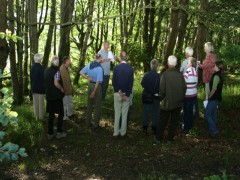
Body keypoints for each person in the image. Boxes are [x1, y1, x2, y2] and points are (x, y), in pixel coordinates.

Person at [155, 55, 186, 143]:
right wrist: (181, 98)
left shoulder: (165, 75)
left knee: (162, 120)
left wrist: (160, 98)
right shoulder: (180, 75)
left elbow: (162, 90)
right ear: (176, 64)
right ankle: (170, 139)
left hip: (167, 102)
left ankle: (158, 138)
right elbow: (184, 88)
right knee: (174, 121)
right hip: (178, 102)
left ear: (168, 63)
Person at [44, 56, 66, 139]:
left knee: (51, 115)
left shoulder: (46, 70)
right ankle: (59, 132)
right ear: (56, 63)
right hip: (56, 96)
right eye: (58, 62)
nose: (58, 63)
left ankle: (50, 133)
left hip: (49, 96)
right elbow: (56, 83)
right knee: (61, 114)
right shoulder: (57, 71)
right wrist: (62, 89)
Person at [112, 55, 134, 137]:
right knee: (124, 114)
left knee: (117, 114)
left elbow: (114, 82)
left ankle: (115, 132)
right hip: (126, 95)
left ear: (120, 59)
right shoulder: (130, 69)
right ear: (126, 60)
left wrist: (120, 93)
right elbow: (131, 84)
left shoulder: (116, 68)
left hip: (117, 93)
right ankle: (123, 132)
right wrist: (126, 95)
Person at [80, 54, 103, 129]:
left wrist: (87, 77)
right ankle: (96, 125)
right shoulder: (99, 68)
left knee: (89, 104)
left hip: (90, 85)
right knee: (97, 106)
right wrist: (94, 91)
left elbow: (81, 72)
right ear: (100, 59)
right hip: (96, 87)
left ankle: (88, 123)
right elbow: (98, 81)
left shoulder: (90, 64)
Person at [141, 59, 160, 135]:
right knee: (155, 113)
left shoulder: (146, 75)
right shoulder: (159, 76)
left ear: (151, 65)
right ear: (157, 66)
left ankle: (145, 129)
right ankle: (154, 129)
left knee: (146, 112)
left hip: (147, 96)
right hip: (156, 97)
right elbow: (161, 87)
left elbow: (143, 84)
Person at [205, 61, 223, 138]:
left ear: (218, 67)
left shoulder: (216, 76)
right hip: (218, 98)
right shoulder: (221, 74)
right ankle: (212, 130)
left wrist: (209, 97)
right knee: (213, 114)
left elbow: (214, 88)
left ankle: (214, 129)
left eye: (215, 66)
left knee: (207, 114)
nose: (213, 66)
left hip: (214, 98)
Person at [182, 57, 198, 133]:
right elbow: (196, 83)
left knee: (186, 111)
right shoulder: (195, 71)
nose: (187, 64)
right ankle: (191, 125)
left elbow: (182, 82)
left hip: (188, 95)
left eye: (188, 62)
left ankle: (185, 127)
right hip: (194, 94)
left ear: (191, 63)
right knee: (191, 110)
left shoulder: (188, 71)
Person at [30, 53, 45, 120]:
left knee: (35, 105)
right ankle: (41, 119)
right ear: (40, 60)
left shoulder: (32, 67)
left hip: (34, 88)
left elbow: (31, 78)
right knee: (41, 105)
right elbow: (44, 79)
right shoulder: (42, 68)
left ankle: (36, 118)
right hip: (41, 89)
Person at [60, 56, 74, 121]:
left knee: (69, 102)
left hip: (68, 89)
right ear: (66, 61)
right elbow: (63, 81)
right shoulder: (62, 69)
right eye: (69, 60)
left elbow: (68, 80)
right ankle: (64, 116)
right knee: (64, 103)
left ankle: (70, 114)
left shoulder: (66, 68)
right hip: (65, 90)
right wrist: (65, 90)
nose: (70, 61)